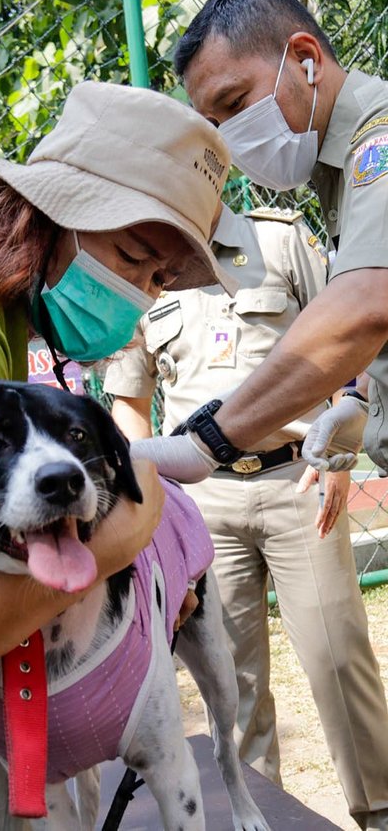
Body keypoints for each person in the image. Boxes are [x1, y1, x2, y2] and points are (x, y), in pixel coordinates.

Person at [123, 0, 388, 827]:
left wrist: (204, 438)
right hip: (216, 509)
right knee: (236, 686)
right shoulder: (342, 179)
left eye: (236, 104)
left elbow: (361, 308)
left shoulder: (378, 143)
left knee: (338, 662)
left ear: (305, 60)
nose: (233, 141)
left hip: (284, 485)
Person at [0, 79, 235, 695]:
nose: (141, 293)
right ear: (48, 215)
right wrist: (133, 529)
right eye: (132, 255)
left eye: (160, 277)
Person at [104, 200, 388, 816]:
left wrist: (337, 447)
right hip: (199, 503)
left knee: (338, 657)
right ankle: (259, 809)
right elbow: (129, 398)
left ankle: (380, 809)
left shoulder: (278, 242)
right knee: (231, 682)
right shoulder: (138, 260)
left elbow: (350, 345)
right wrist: (152, 505)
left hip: (298, 479)